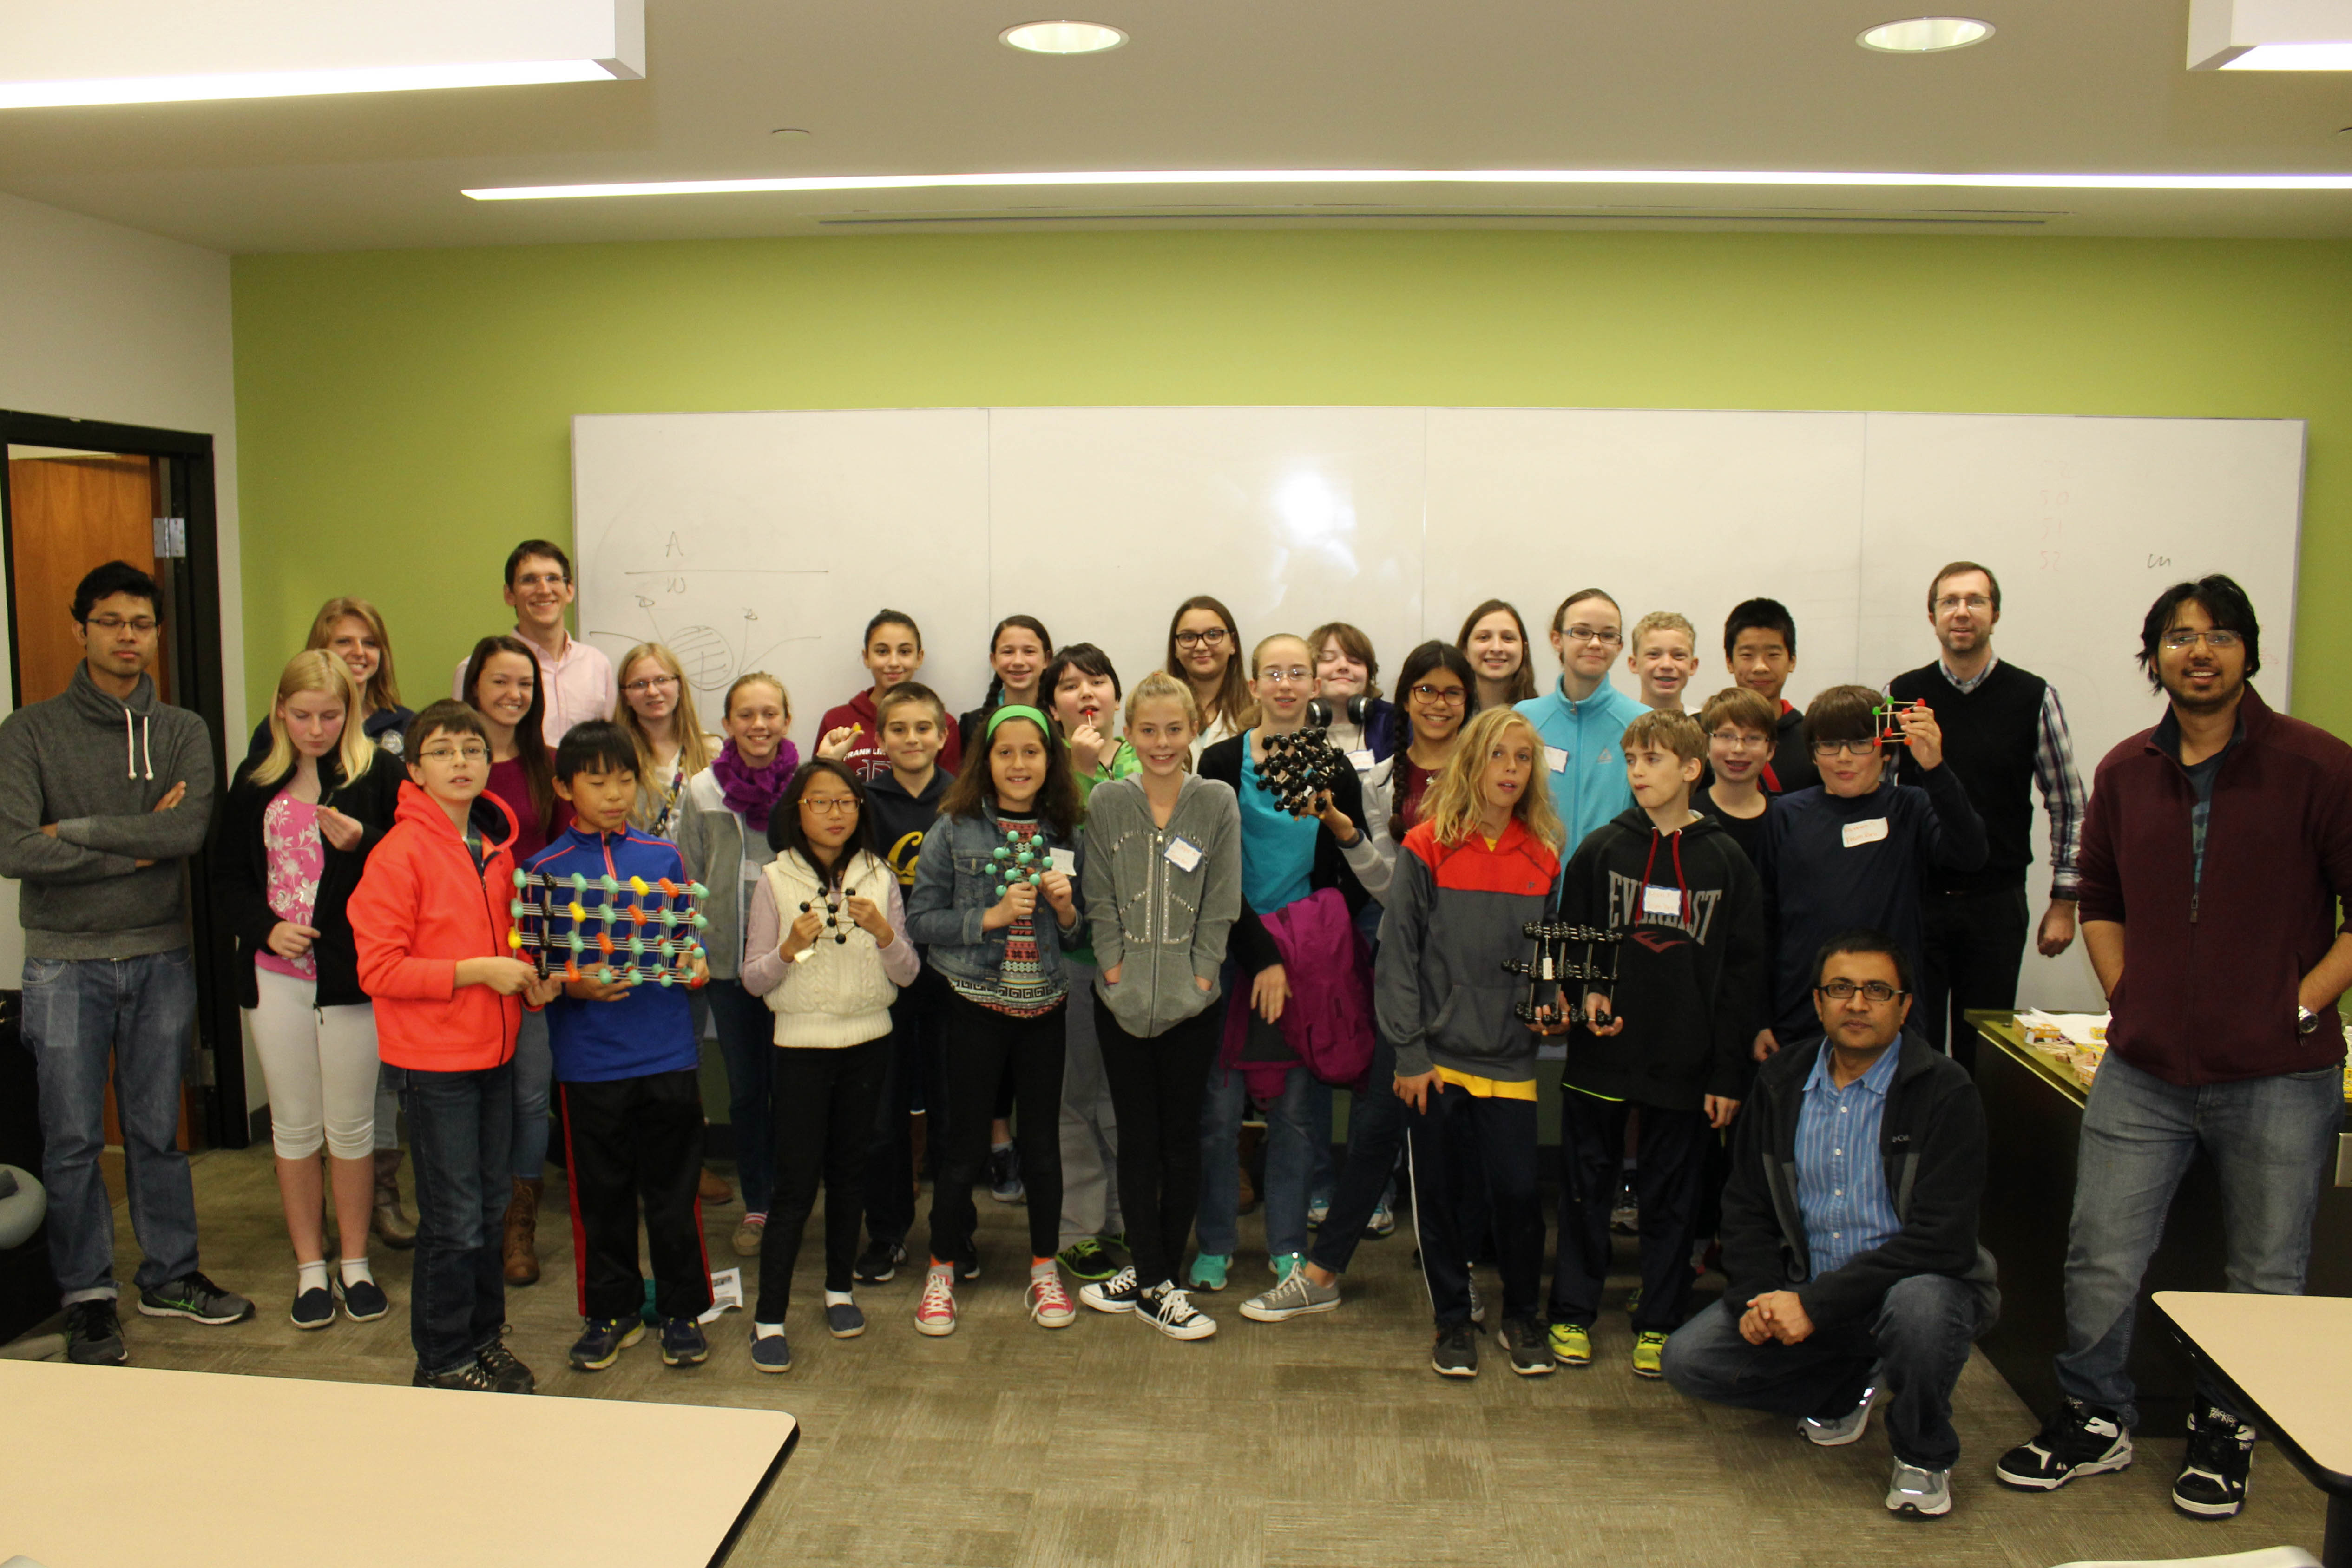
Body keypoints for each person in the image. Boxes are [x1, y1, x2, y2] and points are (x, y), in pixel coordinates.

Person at [1995, 576, 2352, 1521]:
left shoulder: (2317, 765)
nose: (2199, 652)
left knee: (2265, 1268)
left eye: (2219, 635)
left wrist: (2302, 1003)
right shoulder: (2122, 770)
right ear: (2151, 655)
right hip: (2143, 1069)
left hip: (2279, 1073)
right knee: (2099, 1252)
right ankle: (2091, 1416)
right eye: (2179, 637)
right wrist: (2127, 993)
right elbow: (2098, 897)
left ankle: (2227, 1427)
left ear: (2248, 652)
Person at [1662, 931, 1997, 1522]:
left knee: (1920, 1312)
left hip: (1914, 1285)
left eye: (1876, 990)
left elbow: (1939, 1238)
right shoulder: (1780, 1081)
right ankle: (1848, 1383)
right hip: (1808, 1288)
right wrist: (1760, 1298)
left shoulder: (1945, 1090)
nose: (1857, 1004)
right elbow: (1746, 1207)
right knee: (1688, 1360)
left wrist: (1814, 1306)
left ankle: (1922, 1452)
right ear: (1817, 1003)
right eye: (1840, 989)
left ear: (1905, 1005)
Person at [0, 561, 242, 1364]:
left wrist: (71, 831)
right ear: (81, 630)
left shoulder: (181, 729)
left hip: (159, 958)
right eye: (110, 622)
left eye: (140, 624)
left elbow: (184, 834)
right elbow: (13, 848)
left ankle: (170, 1274)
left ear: (156, 634)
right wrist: (130, 847)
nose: (127, 637)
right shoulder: (28, 732)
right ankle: (88, 1295)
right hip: (65, 965)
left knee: (155, 1132)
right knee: (70, 1139)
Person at [1239, 642, 1477, 1326]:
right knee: (1380, 1109)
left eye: (1450, 692)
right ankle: (1323, 1270)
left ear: (1466, 701)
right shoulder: (1378, 780)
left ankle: (1461, 1275)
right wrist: (1346, 833)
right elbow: (1382, 879)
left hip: (1474, 972)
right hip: (1399, 963)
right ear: (1404, 701)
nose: (1437, 703)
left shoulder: (1492, 766)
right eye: (1424, 691)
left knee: (1466, 1128)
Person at [350, 700, 561, 1391]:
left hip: (494, 1053)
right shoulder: (398, 852)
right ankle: (441, 1358)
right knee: (454, 1218)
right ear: (413, 769)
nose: (462, 761)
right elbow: (378, 969)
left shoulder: (493, 849)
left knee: (492, 1206)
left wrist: (528, 980)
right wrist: (477, 973)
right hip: (434, 1063)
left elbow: (505, 944)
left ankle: (483, 1339)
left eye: (472, 749)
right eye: (442, 751)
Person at [1547, 708, 1764, 1377]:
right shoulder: (1600, 849)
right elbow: (1569, 937)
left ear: (1691, 769)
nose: (1638, 770)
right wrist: (1583, 994)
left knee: (1673, 1193)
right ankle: (1571, 1309)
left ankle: (1660, 1315)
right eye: (1632, 759)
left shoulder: (1727, 859)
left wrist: (1727, 1075)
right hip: (1601, 1055)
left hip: (1687, 1062)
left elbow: (1742, 973)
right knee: (1587, 1184)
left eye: (1653, 759)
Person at [215, 650, 407, 1329]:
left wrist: (365, 840)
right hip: (276, 978)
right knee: (293, 1126)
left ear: (350, 712)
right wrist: (266, 929)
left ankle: (354, 1260)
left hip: (349, 978)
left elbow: (412, 861)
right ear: (281, 710)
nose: (316, 729)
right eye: (303, 716)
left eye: (330, 715)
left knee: (351, 1124)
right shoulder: (256, 780)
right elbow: (228, 876)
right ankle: (309, 1266)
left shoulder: (378, 772)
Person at [1377, 706, 1564, 1379]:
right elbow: (1397, 957)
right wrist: (1409, 1053)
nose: (1509, 770)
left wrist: (1549, 1008)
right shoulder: (1427, 845)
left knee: (1517, 1194)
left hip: (1510, 1059)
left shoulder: (1544, 854)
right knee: (1441, 1200)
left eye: (1522, 758)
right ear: (1470, 763)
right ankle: (1451, 1320)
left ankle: (1520, 1315)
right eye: (1497, 756)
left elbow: (1546, 959)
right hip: (1437, 1059)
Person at [1193, 634, 1383, 1293]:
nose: (1282, 683)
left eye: (1295, 672)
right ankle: (1214, 1241)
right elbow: (1208, 870)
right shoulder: (1217, 761)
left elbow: (1355, 870)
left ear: (1312, 684)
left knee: (1298, 1114)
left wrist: (1304, 934)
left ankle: (1284, 1245)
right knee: (1216, 1112)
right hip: (1228, 950)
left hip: (1306, 959)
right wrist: (1259, 950)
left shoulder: (1333, 766)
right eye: (1270, 672)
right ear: (1252, 682)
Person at [525, 722, 715, 1372]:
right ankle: (610, 1311)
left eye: (625, 778)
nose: (613, 793)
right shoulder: (543, 871)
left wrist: (692, 963)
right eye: (596, 779)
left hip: (667, 1051)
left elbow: (687, 943)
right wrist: (572, 984)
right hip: (590, 1062)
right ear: (563, 786)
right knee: (599, 1195)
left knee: (674, 1191)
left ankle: (684, 1309)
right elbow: (534, 976)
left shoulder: (662, 857)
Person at [904, 703, 1086, 1335]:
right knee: (960, 1149)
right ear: (985, 761)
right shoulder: (954, 827)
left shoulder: (1067, 827)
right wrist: (987, 916)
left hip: (1045, 1007)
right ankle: (941, 1270)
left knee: (1041, 1146)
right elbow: (919, 920)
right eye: (1004, 752)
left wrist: (1065, 912)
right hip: (971, 1002)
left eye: (1030, 752)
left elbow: (1079, 930)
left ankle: (1044, 1268)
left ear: (1049, 760)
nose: (1017, 764)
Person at [1073, 673, 1241, 1339]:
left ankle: (1152, 1275)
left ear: (1193, 728)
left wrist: (1201, 977)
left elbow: (1223, 898)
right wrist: (1111, 965)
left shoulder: (1216, 801)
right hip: (1121, 1000)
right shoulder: (1110, 801)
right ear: (1129, 733)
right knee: (1135, 1139)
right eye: (1148, 730)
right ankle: (1154, 1277)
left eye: (1174, 729)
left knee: (1182, 1140)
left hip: (1189, 1003)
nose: (1162, 742)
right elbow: (1098, 892)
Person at [742, 760, 920, 1370]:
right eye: (821, 801)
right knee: (794, 1185)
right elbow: (752, 977)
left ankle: (838, 1288)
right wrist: (788, 948)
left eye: (846, 800)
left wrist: (885, 934)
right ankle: (768, 1317)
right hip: (800, 1046)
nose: (836, 812)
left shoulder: (878, 873)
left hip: (870, 1040)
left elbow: (909, 972)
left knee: (851, 1173)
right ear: (799, 810)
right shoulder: (774, 877)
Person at [1886, 562, 2089, 1069]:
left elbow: (2067, 803)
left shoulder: (2034, 697)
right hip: (1920, 901)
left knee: (1985, 1053)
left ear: (1994, 614)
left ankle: (1976, 1149)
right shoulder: (1902, 694)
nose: (1961, 612)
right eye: (1948, 602)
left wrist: (2064, 900)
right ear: (1931, 616)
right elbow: (1881, 793)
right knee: (1915, 1048)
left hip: (1994, 905)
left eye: (1974, 601)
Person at [1753, 686, 1986, 1061]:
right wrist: (1761, 1016)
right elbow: (1764, 920)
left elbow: (1970, 855)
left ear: (1885, 748)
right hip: (1802, 1010)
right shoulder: (1785, 814)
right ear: (1813, 753)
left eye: (1860, 743)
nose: (1844, 758)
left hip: (1888, 1013)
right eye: (1829, 745)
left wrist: (1935, 768)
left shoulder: (1910, 806)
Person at [459, 633, 572, 1285]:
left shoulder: (547, 763)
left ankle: (517, 1223)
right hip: (461, 956)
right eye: (500, 681)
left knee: (531, 1094)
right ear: (474, 684)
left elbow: (562, 863)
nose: (513, 694)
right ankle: (471, 1215)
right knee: (470, 1091)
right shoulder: (449, 759)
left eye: (525, 684)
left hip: (528, 954)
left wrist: (552, 958)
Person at [673, 672, 797, 1257]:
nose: (758, 725)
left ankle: (794, 1201)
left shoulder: (805, 784)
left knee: (794, 1090)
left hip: (794, 962)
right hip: (724, 963)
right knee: (746, 1092)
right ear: (727, 724)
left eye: (769, 713)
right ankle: (759, 1205)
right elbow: (688, 873)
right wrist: (696, 947)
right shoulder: (701, 790)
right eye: (745, 715)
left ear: (787, 720)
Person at [1042, 644, 1139, 1283]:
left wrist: (1101, 766)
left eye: (1096, 681)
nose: (1085, 693)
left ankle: (1126, 1219)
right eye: (1070, 685)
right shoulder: (1044, 763)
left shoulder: (1145, 754)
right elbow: (1059, 847)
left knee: (1128, 1096)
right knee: (1075, 1096)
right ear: (1052, 707)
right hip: (1072, 957)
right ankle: (1078, 1229)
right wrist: (1076, 770)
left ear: (1115, 694)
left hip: (1139, 963)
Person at [853, 682, 954, 1284]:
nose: (912, 738)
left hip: (950, 975)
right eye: (899, 728)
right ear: (881, 737)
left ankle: (951, 1234)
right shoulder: (863, 801)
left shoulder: (962, 801)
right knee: (882, 1115)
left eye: (924, 728)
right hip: (881, 975)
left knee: (950, 1109)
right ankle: (887, 1232)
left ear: (943, 736)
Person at [1517, 589, 1647, 869]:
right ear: (1557, 640)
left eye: (1608, 635)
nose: (1596, 644)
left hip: (1609, 889)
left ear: (1620, 646)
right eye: (1582, 632)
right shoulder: (1524, 720)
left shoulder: (1643, 724)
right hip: (1533, 888)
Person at [447, 540, 613, 746]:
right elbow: (463, 747)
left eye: (553, 578)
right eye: (529, 580)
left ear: (570, 590)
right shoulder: (474, 669)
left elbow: (611, 745)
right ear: (510, 595)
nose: (544, 590)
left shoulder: (597, 664)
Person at [818, 609, 963, 782]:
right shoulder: (836, 720)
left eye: (904, 652)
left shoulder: (942, 723)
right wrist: (827, 763)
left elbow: (949, 798)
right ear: (866, 657)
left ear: (919, 658)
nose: (894, 663)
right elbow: (816, 790)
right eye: (882, 652)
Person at [614, 641, 717, 839]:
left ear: (679, 685)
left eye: (662, 680)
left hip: (696, 868)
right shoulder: (612, 755)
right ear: (625, 696)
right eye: (640, 684)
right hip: (634, 868)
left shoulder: (712, 750)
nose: (652, 691)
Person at [1722, 597, 1817, 794]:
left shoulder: (1812, 737)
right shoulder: (1705, 733)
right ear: (1730, 661)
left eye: (1773, 655)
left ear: (1792, 661)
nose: (1760, 667)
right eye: (1747, 655)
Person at [1695, 686, 1776, 867]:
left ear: (1770, 750)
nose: (1738, 749)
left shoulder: (1784, 819)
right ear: (1706, 746)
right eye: (1726, 736)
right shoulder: (1688, 816)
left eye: (1753, 738)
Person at [957, 615, 1054, 762]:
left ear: (1047, 659)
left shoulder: (1061, 720)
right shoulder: (972, 725)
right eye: (1008, 652)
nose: (1018, 661)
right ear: (994, 660)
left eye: (1029, 651)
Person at [1166, 595, 1249, 760]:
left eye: (1213, 635)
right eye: (1188, 637)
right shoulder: (1158, 707)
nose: (1201, 646)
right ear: (1175, 648)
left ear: (1233, 643)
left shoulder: (1257, 710)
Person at [1308, 621, 1398, 765]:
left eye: (1355, 661)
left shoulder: (1394, 721)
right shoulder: (1293, 724)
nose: (1343, 666)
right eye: (1328, 659)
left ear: (1369, 675)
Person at [1456, 599, 1536, 712]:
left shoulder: (1541, 719)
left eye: (1508, 638)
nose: (1496, 648)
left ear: (1525, 650)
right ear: (1465, 650)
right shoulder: (1449, 718)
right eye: (1484, 638)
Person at [1627, 611, 1702, 713]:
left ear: (1693, 666)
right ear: (1634, 664)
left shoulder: (1707, 726)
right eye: (1654, 655)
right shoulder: (1618, 725)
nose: (1667, 665)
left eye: (1678, 656)